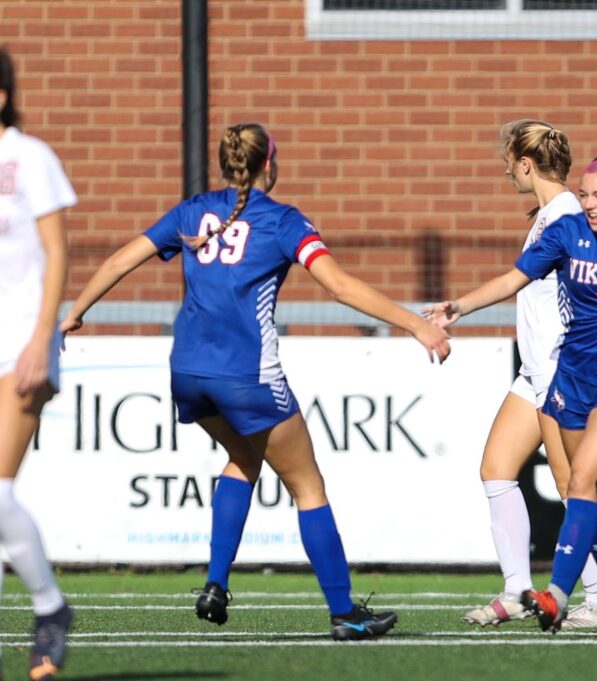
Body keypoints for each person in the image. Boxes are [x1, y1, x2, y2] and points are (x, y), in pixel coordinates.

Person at [61, 123, 450, 642]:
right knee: (307, 485)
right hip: (247, 375)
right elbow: (337, 286)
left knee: (244, 459)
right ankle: (345, 613)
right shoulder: (282, 221)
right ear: (270, 164)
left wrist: (76, 312)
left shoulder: (193, 211)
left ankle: (216, 584)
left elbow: (118, 260)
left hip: (189, 371)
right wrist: (416, 323)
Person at [427, 148, 597, 636]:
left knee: (580, 479)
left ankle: (556, 594)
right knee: (587, 487)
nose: (591, 205)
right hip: (572, 373)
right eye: (586, 195)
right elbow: (516, 278)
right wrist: (460, 307)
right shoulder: (567, 232)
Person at [461, 120, 597, 630]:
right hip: (534, 371)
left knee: (574, 486)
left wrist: (457, 307)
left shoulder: (566, 213)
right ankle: (517, 589)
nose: (506, 169)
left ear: (526, 164)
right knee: (496, 469)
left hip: (560, 369)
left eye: (509, 160)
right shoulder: (549, 213)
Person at [0, 46, 76, 681]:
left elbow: (57, 252)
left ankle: (51, 609)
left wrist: (39, 338)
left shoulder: (30, 158)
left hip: (20, 346)